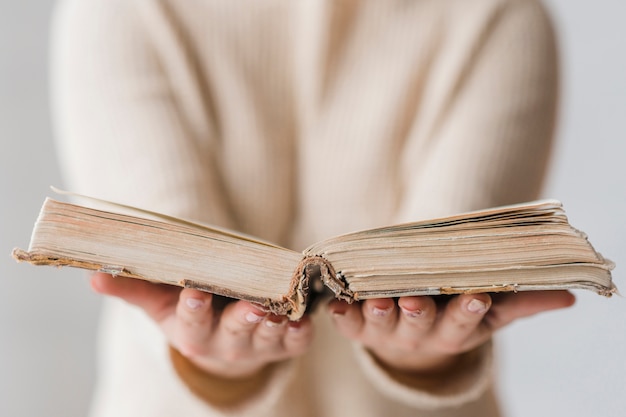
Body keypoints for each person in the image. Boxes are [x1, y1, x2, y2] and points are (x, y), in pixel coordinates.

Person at [50, 0, 575, 416]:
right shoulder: (120, 11)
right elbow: (174, 268)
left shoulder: (500, 16)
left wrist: (425, 353)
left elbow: (440, 277)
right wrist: (212, 356)